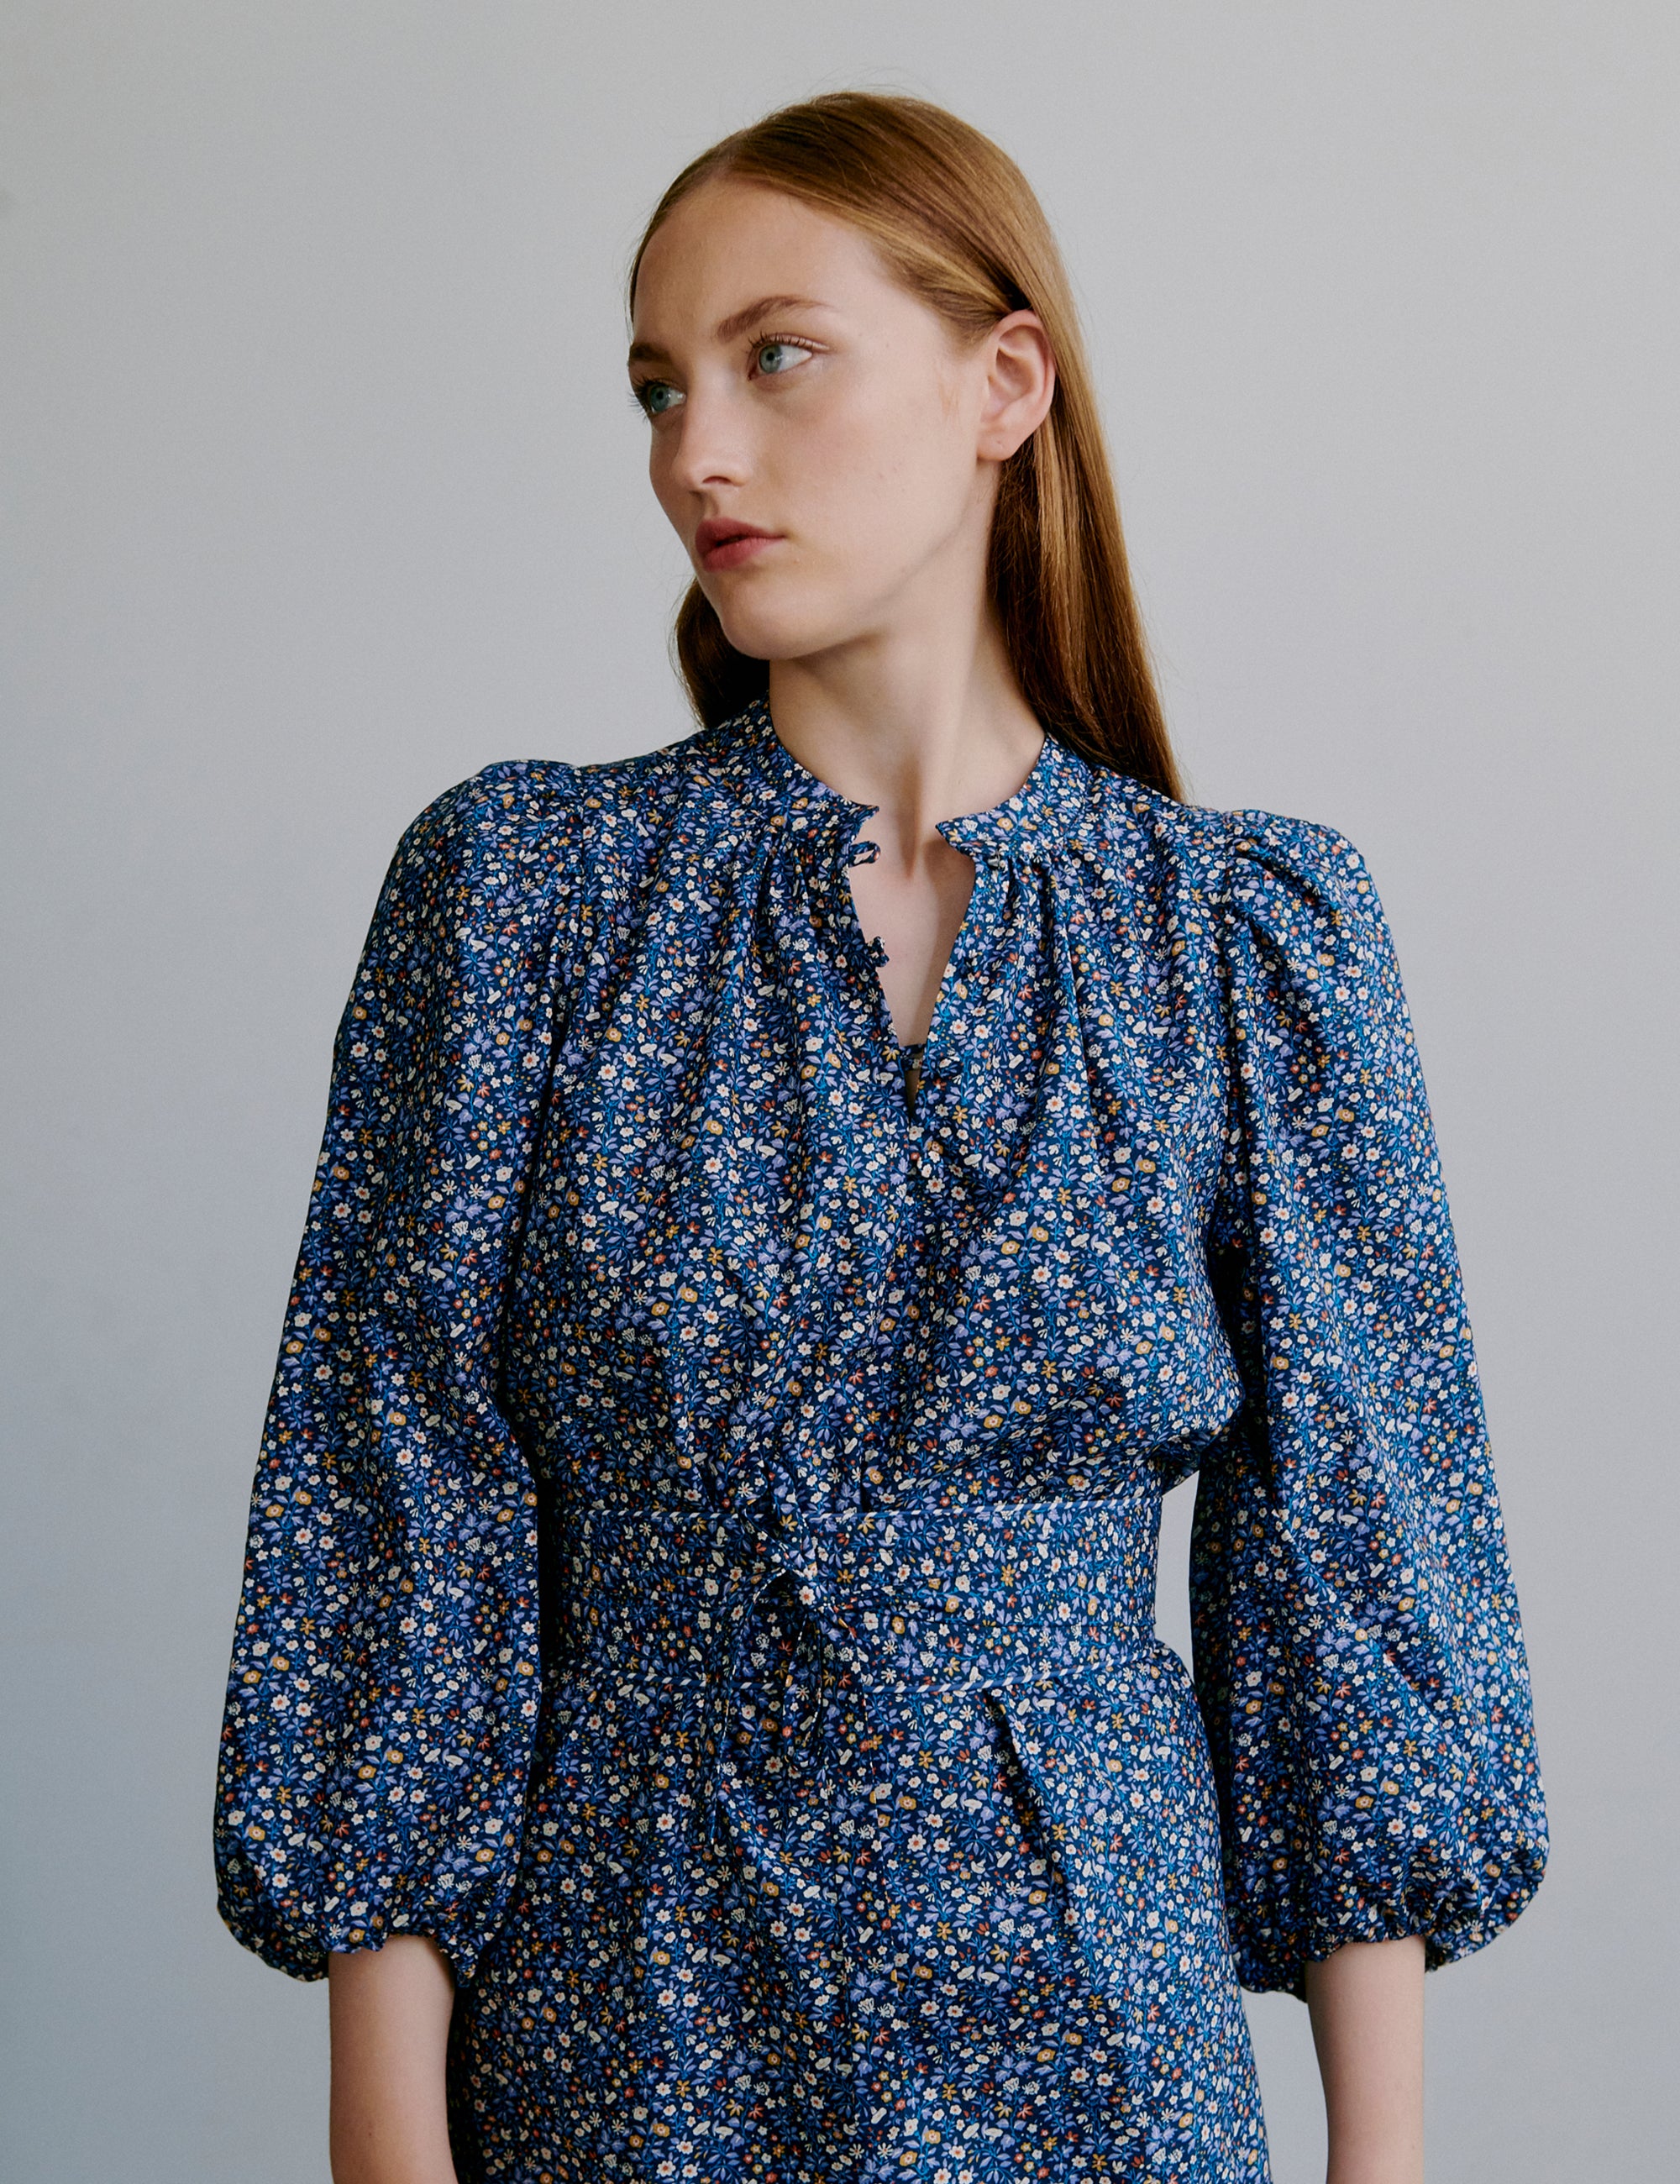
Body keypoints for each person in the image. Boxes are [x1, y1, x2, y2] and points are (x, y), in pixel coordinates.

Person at [214, 91, 1547, 2184]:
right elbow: (392, 1525)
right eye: (657, 388)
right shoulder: (522, 902)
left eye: (773, 356)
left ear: (1004, 379)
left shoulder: (1246, 943)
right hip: (623, 2041)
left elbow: (1353, 1584)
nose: (692, 455)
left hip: (1103, 2056)